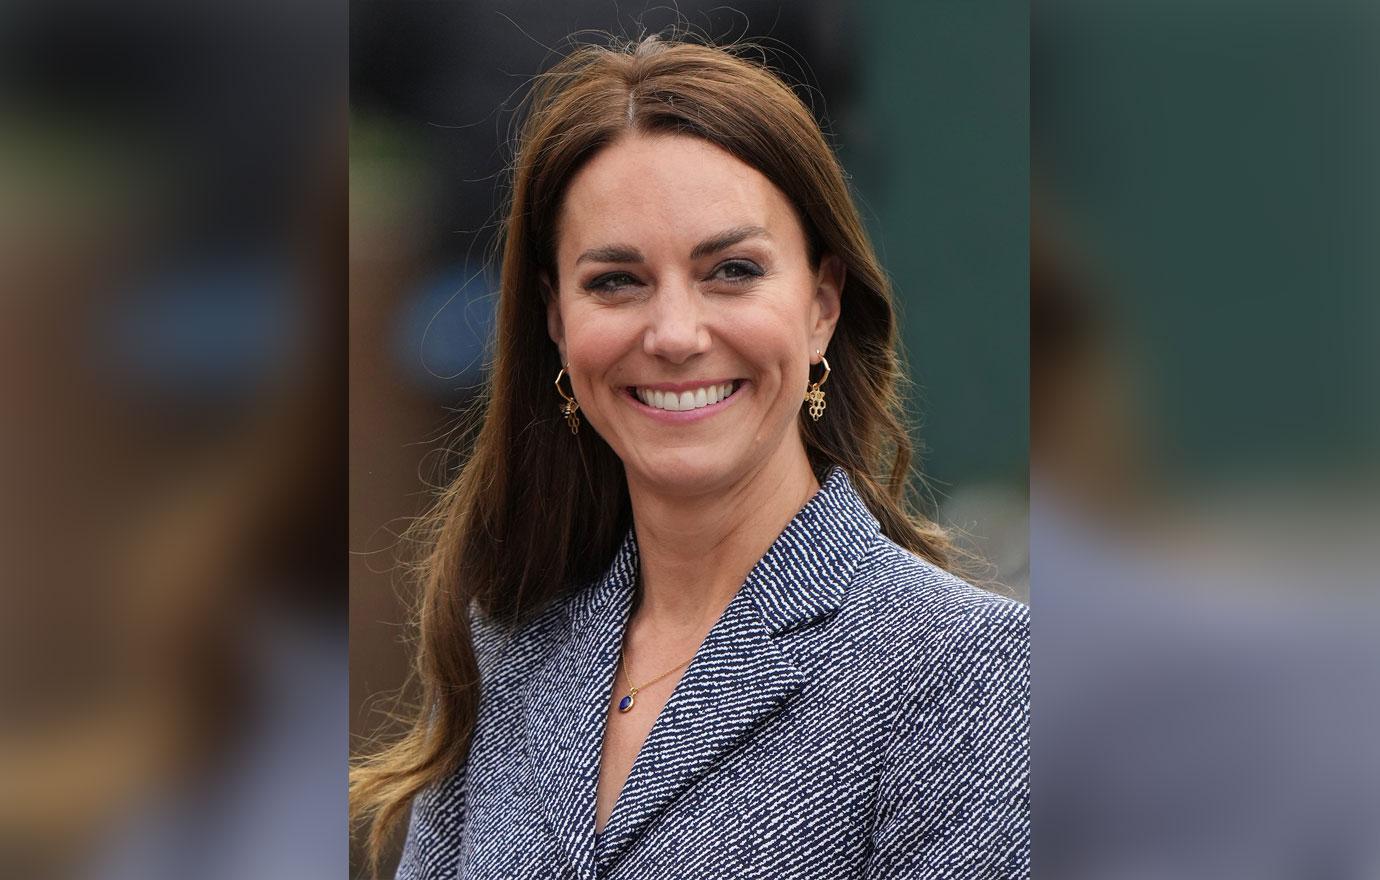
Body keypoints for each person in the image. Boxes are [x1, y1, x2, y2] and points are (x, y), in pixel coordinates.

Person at [350, 34, 1029, 880]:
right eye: (616, 282)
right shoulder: (510, 646)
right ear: (556, 323)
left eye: (732, 270)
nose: (674, 334)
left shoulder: (966, 669)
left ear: (821, 305)